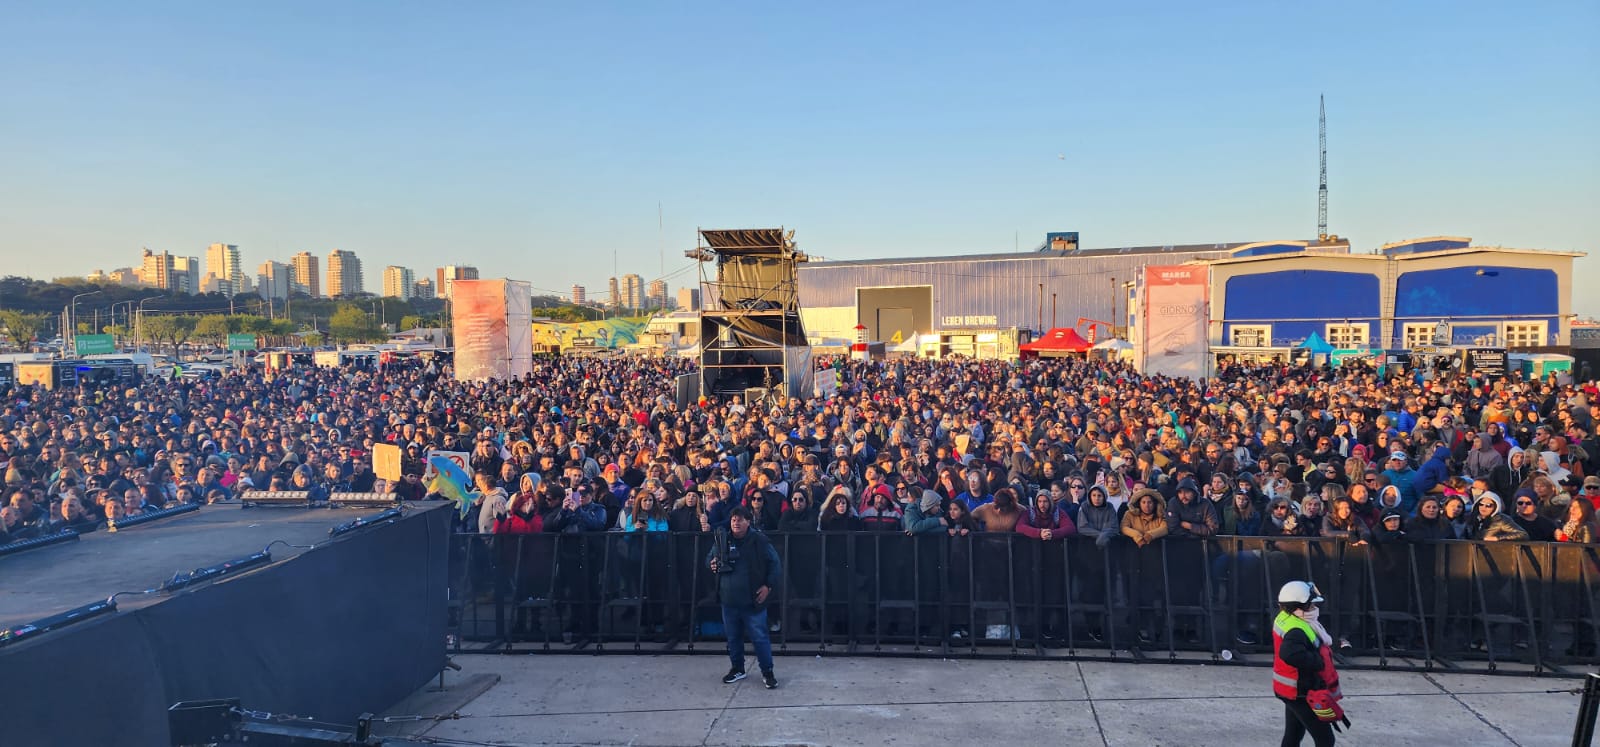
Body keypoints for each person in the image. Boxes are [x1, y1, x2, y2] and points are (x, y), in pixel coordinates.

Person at [707, 506, 781, 689]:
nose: (736, 523)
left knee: (759, 638)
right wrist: (712, 563)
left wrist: (768, 586)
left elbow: (775, 564)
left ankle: (767, 672)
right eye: (733, 520)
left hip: (752, 601)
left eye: (740, 519)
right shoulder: (723, 538)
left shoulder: (760, 540)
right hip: (728, 600)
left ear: (748, 521)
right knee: (733, 638)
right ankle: (737, 668)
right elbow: (709, 558)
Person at [1273, 581, 1348, 747]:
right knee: (1325, 740)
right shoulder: (1296, 630)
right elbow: (1289, 654)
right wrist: (1318, 661)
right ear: (1299, 606)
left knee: (1293, 735)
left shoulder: (1286, 618)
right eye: (1311, 605)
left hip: (1290, 690)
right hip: (1301, 692)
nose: (1314, 608)